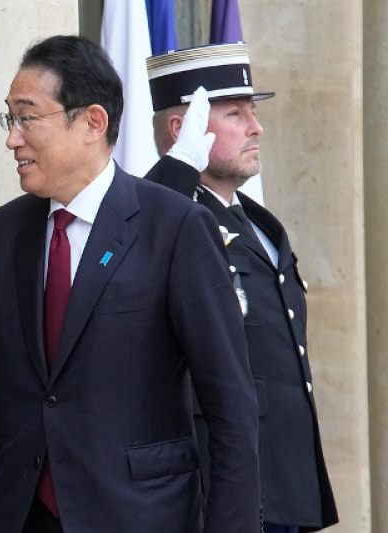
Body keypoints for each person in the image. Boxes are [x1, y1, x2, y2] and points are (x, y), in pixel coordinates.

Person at [0, 35, 260, 532]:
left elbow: (229, 402)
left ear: (92, 122)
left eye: (27, 117)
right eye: (9, 119)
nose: (12, 138)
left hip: (140, 515)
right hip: (23, 515)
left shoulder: (174, 226)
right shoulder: (5, 231)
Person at [145, 42, 339, 532]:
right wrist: (180, 166)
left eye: (253, 114)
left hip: (281, 486)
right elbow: (131, 250)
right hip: (221, 491)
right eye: (236, 115)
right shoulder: (172, 218)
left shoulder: (256, 223)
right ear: (181, 129)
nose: (257, 128)